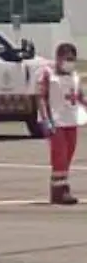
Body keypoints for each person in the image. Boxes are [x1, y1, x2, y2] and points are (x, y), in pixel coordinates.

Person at [38, 41, 86, 205]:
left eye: (72, 59)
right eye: (67, 58)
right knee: (60, 156)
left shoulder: (74, 76)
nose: (69, 62)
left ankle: (61, 186)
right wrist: (46, 119)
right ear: (58, 58)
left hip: (71, 120)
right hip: (56, 122)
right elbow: (42, 98)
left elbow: (80, 97)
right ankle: (59, 191)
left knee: (68, 156)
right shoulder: (48, 74)